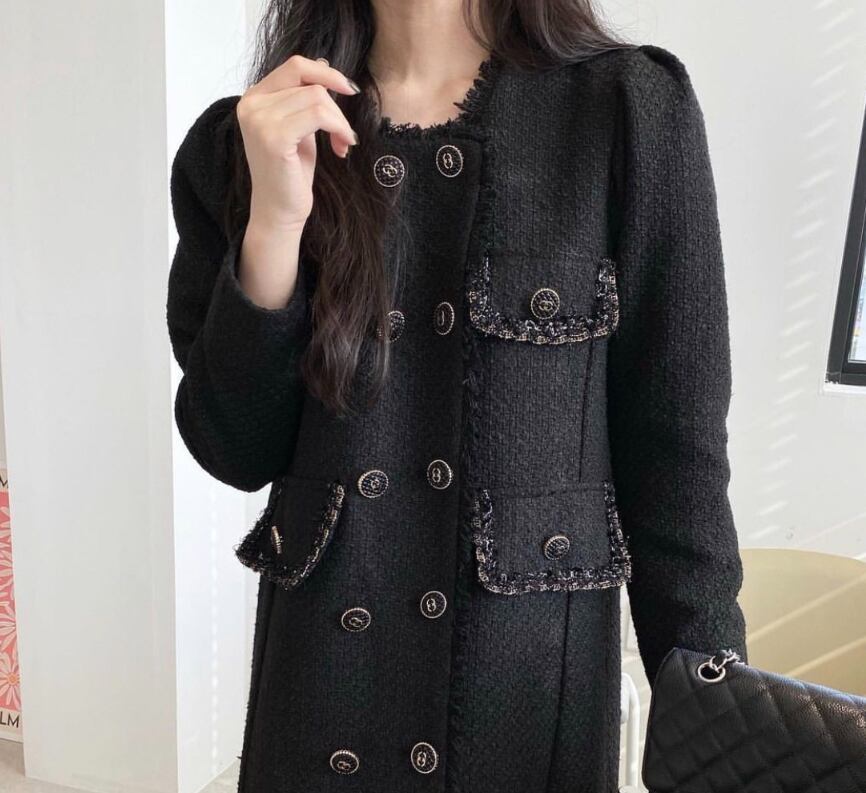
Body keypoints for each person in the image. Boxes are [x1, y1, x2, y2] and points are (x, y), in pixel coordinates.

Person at [166, 1, 749, 790]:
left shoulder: (626, 112)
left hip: (527, 713)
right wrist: (273, 225)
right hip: (322, 703)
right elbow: (234, 447)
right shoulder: (251, 139)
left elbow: (676, 458)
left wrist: (723, 747)